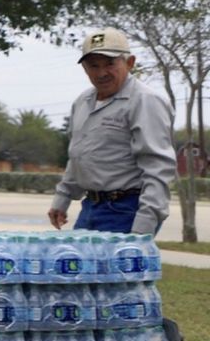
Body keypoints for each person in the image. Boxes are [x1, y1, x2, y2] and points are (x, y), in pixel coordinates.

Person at [48, 27, 176, 235]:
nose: (101, 73)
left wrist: (143, 228)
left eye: (110, 64)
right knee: (79, 267)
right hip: (91, 207)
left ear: (129, 62)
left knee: (115, 269)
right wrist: (62, 199)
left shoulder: (145, 101)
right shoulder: (82, 102)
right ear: (85, 69)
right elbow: (78, 157)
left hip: (126, 210)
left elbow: (158, 168)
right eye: (93, 65)